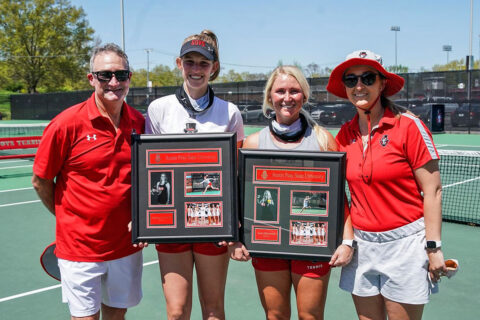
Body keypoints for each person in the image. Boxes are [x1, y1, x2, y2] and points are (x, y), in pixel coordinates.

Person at [326, 50, 446, 320]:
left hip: (406, 246)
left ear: (382, 83)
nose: (359, 86)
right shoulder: (344, 135)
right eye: (351, 79)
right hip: (363, 247)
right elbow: (339, 195)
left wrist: (434, 247)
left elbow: (433, 190)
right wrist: (347, 241)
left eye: (368, 78)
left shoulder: (409, 126)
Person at [31, 43, 145, 320]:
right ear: (91, 78)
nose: (114, 82)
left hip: (126, 246)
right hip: (79, 249)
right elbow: (41, 180)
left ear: (130, 78)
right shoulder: (65, 124)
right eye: (105, 75)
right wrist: (68, 218)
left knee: (117, 316)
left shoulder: (139, 122)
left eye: (121, 74)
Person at [238, 65, 354, 320]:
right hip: (267, 242)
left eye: (294, 91)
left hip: (312, 242)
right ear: (270, 97)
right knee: (275, 315)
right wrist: (236, 236)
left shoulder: (324, 140)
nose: (287, 97)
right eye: (280, 91)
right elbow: (242, 198)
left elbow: (338, 198)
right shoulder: (254, 143)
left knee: (310, 316)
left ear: (304, 96)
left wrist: (347, 242)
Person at [145, 29, 244, 320]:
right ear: (179, 64)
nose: (196, 69)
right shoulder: (158, 109)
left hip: (211, 220)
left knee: (213, 311)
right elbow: (151, 168)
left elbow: (236, 172)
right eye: (190, 62)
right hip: (172, 223)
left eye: (203, 63)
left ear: (214, 67)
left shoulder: (230, 112)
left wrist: (235, 223)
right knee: (176, 312)